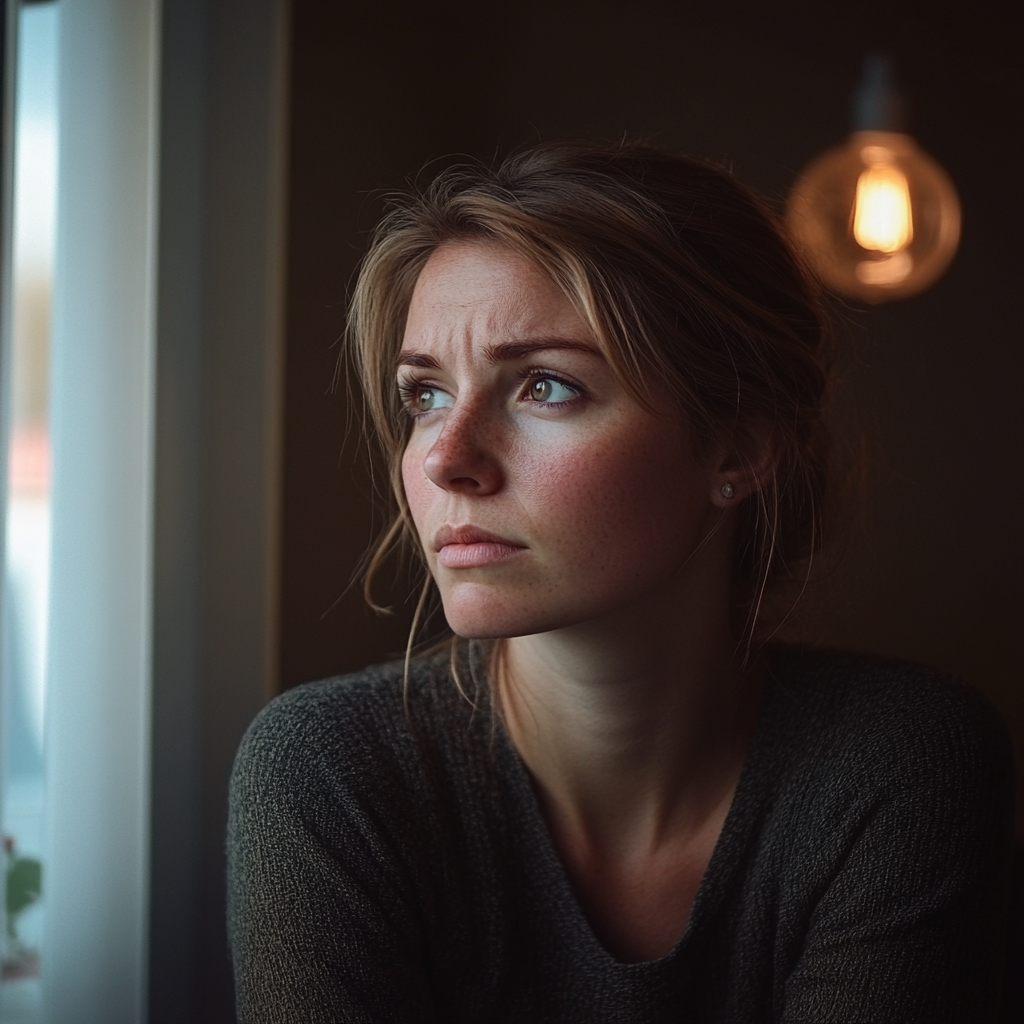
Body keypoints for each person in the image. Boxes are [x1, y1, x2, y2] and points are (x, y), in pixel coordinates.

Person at [227, 142, 1013, 1023]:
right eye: (426, 396)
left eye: (546, 387)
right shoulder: (332, 774)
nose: (446, 460)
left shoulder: (897, 765)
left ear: (739, 445)